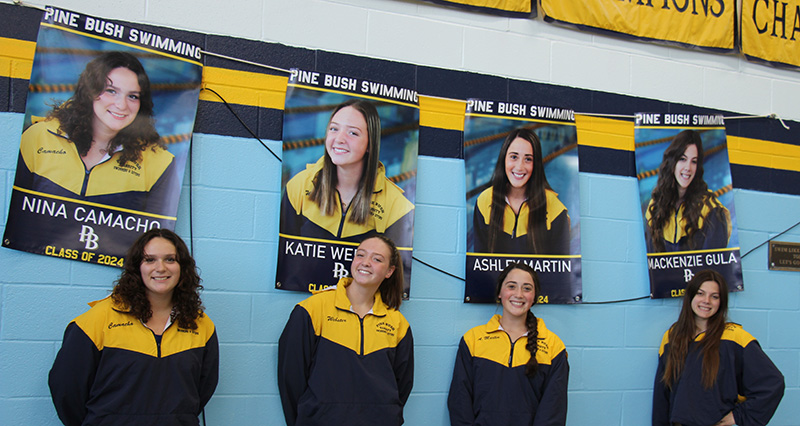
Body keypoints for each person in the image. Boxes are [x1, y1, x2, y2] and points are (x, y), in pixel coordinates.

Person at [49, 229, 219, 425]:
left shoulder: (201, 325)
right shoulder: (98, 320)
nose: (160, 267)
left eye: (170, 259)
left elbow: (203, 389)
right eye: (150, 260)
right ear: (137, 267)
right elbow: (67, 388)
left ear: (183, 267)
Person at [15, 51, 178, 215]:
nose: (121, 105)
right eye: (111, 91)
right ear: (90, 91)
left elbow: (156, 235)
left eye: (133, 96)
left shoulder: (159, 165)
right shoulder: (38, 138)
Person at [278, 235, 414, 426]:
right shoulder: (312, 310)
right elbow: (291, 378)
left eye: (377, 259)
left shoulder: (398, 324)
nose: (366, 263)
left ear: (389, 271)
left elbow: (403, 385)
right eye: (361, 255)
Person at [652, 269, 784, 426]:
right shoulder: (672, 337)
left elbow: (773, 384)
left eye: (714, 296)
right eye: (700, 293)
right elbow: (662, 396)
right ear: (691, 296)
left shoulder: (735, 337)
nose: (706, 300)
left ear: (721, 302)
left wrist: (738, 416)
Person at [280, 99, 414, 247]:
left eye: (353, 133)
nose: (339, 139)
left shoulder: (396, 206)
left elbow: (396, 268)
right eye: (334, 129)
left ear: (370, 144)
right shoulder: (299, 186)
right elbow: (283, 257)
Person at [448, 262, 569, 426]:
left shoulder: (554, 347)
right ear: (500, 292)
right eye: (511, 286)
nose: (519, 294)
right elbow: (459, 401)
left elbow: (553, 411)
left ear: (534, 297)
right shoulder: (473, 340)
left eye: (527, 288)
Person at [473, 128, 569, 255]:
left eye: (528, 159)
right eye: (514, 157)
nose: (519, 167)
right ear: (504, 159)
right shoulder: (485, 201)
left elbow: (560, 269)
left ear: (536, 164)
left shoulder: (555, 210)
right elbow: (479, 265)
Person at [645, 130, 731, 253]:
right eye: (683, 159)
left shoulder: (711, 211)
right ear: (672, 162)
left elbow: (712, 270)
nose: (688, 168)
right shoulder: (654, 207)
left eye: (694, 161)